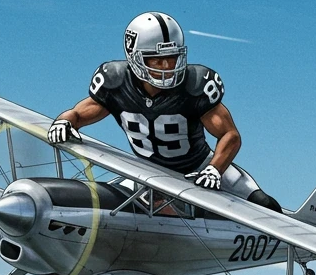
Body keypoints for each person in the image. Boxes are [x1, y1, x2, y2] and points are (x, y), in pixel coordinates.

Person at [47, 12, 281, 210]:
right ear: (134, 57)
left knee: (265, 205)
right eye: (157, 61)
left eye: (172, 58)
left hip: (199, 166)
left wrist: (214, 170)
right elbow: (78, 114)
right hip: (148, 171)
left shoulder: (195, 84)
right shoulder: (116, 81)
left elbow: (230, 135)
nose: (167, 67)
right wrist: (63, 122)